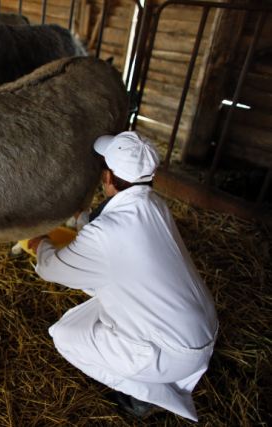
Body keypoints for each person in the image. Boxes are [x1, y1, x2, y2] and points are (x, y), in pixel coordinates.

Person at [27, 131, 218, 421]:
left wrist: (37, 243)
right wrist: (82, 219)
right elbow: (111, 234)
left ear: (108, 178)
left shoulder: (106, 233)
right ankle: (155, 376)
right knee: (89, 310)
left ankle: (142, 396)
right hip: (201, 329)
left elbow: (52, 269)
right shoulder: (156, 206)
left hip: (171, 352)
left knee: (64, 335)